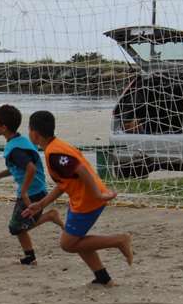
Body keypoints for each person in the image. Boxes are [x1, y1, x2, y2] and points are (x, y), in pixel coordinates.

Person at [22, 110, 133, 285]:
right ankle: (103, 278)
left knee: (68, 244)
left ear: (35, 134)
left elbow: (81, 169)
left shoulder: (55, 154)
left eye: (28, 130)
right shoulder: (56, 146)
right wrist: (41, 203)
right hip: (81, 199)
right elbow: (64, 183)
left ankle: (119, 240)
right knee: (78, 239)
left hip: (89, 200)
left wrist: (98, 194)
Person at [0, 105, 62, 266]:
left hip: (33, 193)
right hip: (35, 190)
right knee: (20, 225)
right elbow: (18, 167)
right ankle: (30, 257)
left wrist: (25, 190)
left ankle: (50, 216)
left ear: (3, 127)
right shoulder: (20, 141)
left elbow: (30, 168)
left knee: (16, 227)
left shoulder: (15, 149)